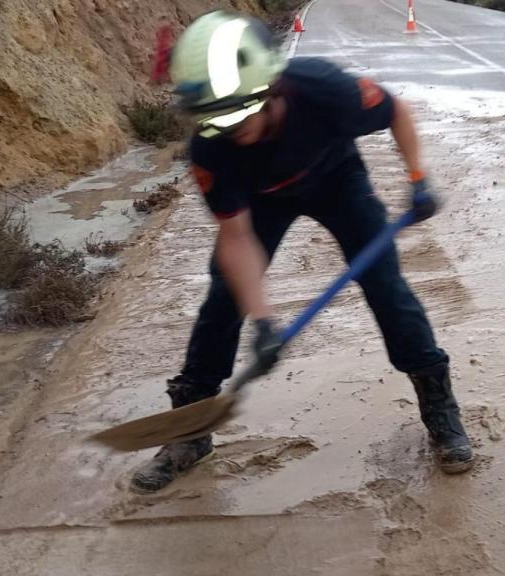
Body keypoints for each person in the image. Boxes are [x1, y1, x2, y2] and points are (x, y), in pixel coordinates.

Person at [131, 12, 474, 492]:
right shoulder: (212, 147)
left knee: (385, 286)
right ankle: (190, 430)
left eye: (236, 112)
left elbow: (395, 109)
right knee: (224, 299)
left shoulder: (325, 89)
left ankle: (439, 406)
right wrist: (264, 322)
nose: (227, 129)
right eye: (214, 118)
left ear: (270, 88)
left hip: (337, 179)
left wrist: (418, 179)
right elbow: (236, 238)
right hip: (262, 199)